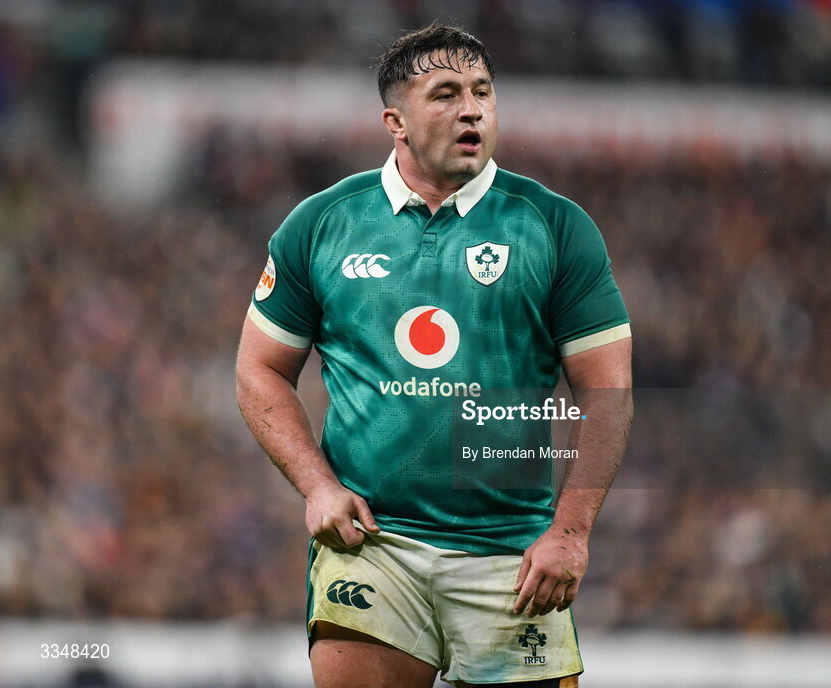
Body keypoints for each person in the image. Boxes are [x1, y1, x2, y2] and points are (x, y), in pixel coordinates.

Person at [235, 22, 632, 688]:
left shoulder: (556, 226)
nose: (471, 107)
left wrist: (571, 531)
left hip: (512, 556)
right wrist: (317, 486)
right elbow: (259, 369)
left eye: (482, 91)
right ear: (395, 120)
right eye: (446, 93)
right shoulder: (322, 223)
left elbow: (608, 390)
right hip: (372, 545)